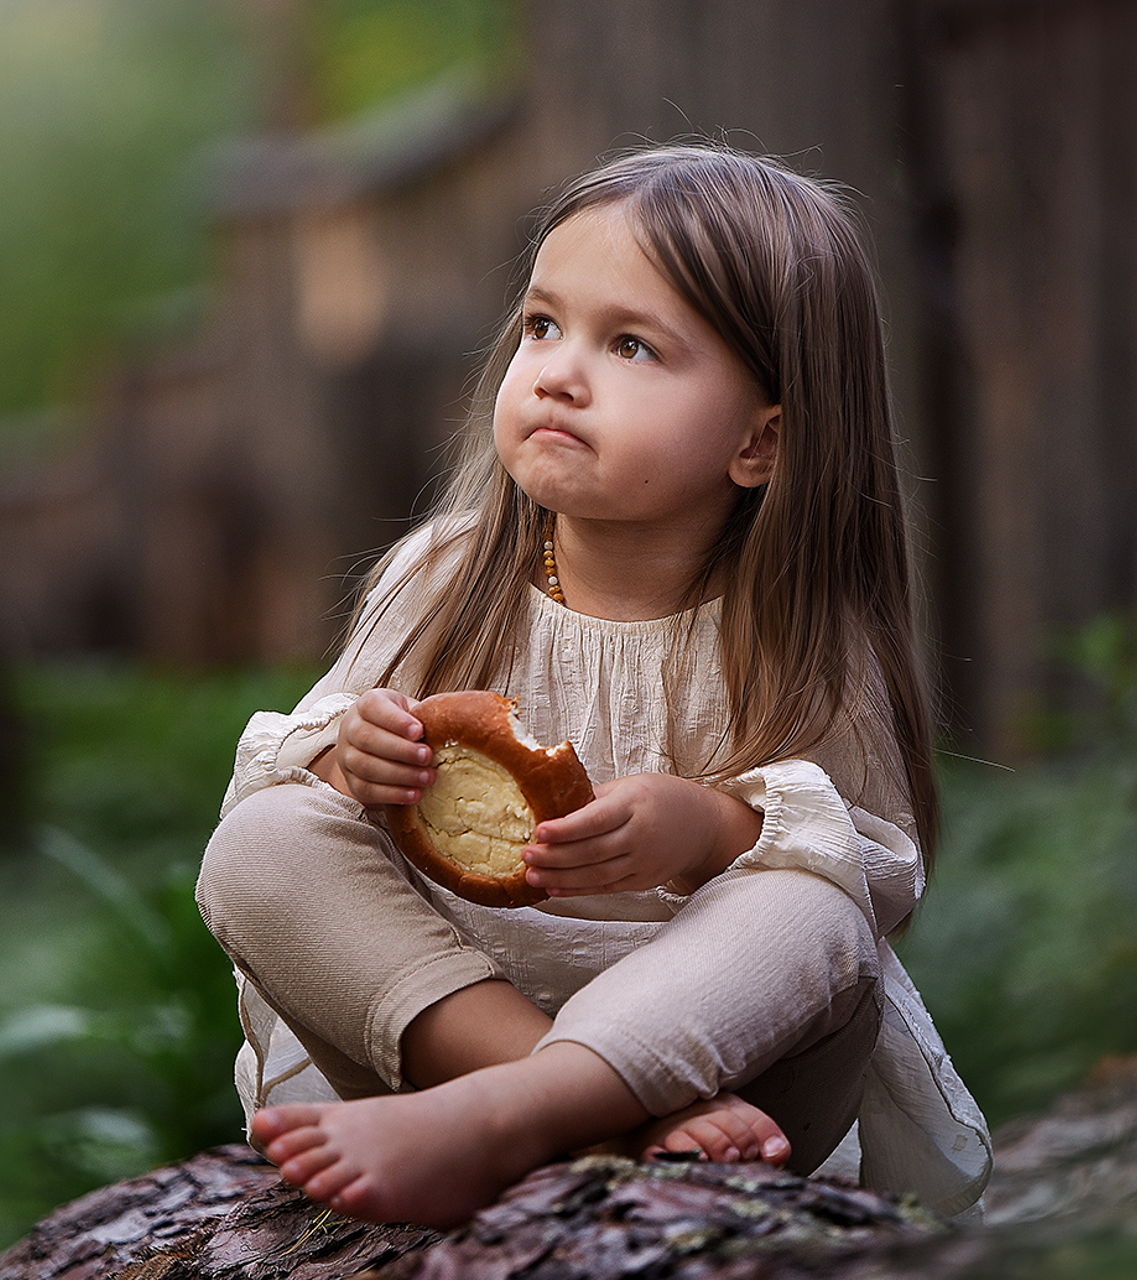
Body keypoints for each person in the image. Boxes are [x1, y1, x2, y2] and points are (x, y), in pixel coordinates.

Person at [196, 143, 991, 1230]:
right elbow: (314, 781)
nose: (558, 371)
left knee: (814, 902)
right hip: (453, 1029)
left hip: (736, 1070)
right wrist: (354, 759)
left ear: (759, 440)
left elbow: (876, 872)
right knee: (264, 838)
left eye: (629, 344)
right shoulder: (443, 576)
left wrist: (712, 827)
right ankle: (562, 1109)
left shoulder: (798, 637)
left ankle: (514, 1116)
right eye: (540, 325)